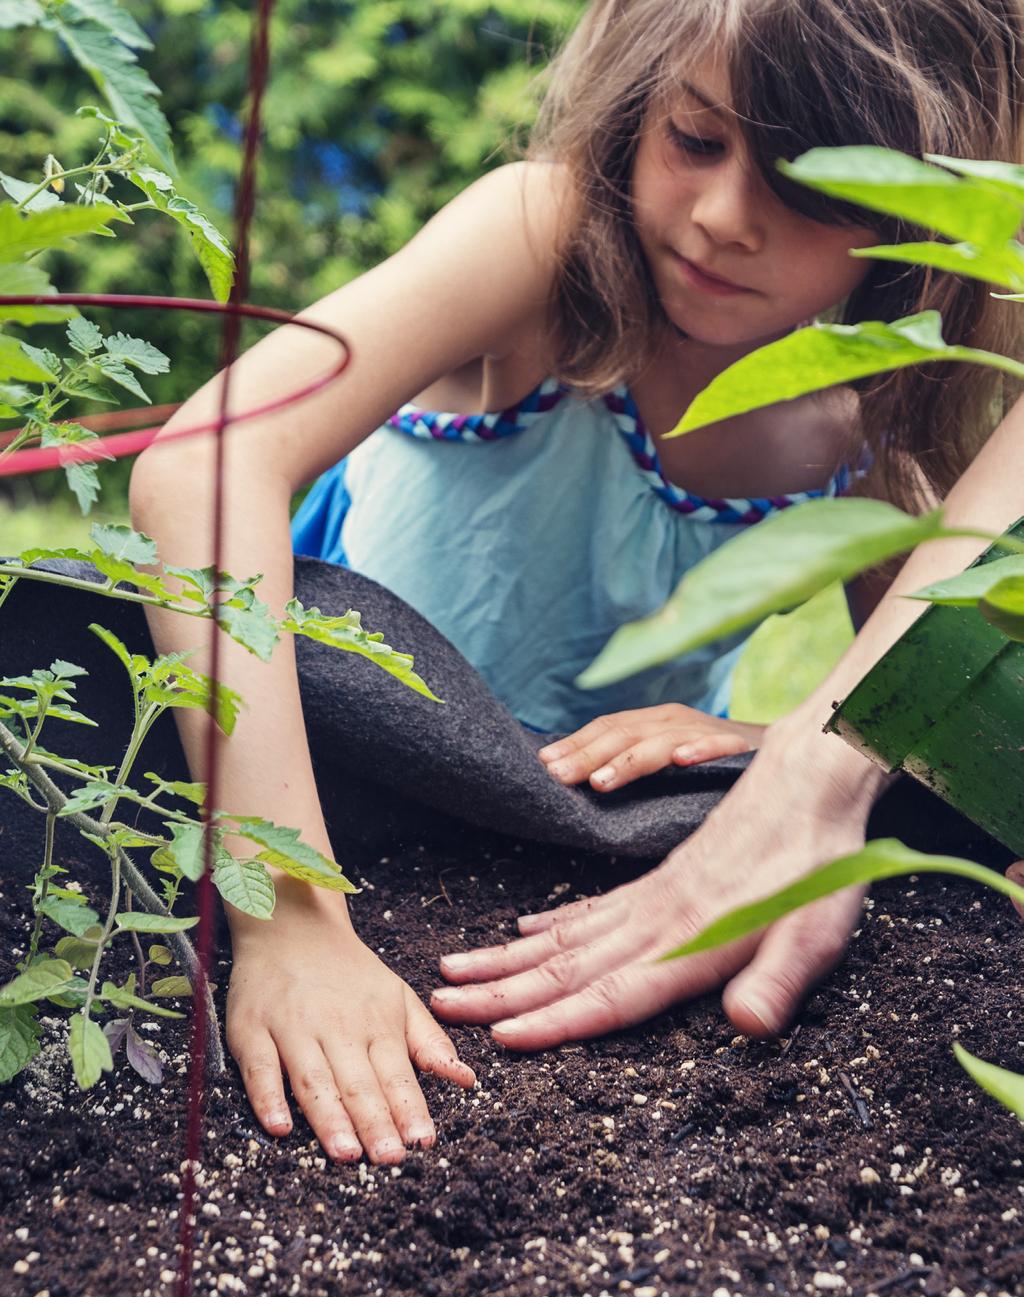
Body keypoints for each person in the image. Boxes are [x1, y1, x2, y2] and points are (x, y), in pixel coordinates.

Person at [130, 0, 1024, 1165]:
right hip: (327, 754)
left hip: (556, 821)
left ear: (923, 218)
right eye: (695, 141)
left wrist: (750, 738)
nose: (717, 218)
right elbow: (209, 461)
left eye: (813, 193)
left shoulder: (864, 414)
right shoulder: (544, 242)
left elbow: (902, 704)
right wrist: (289, 919)